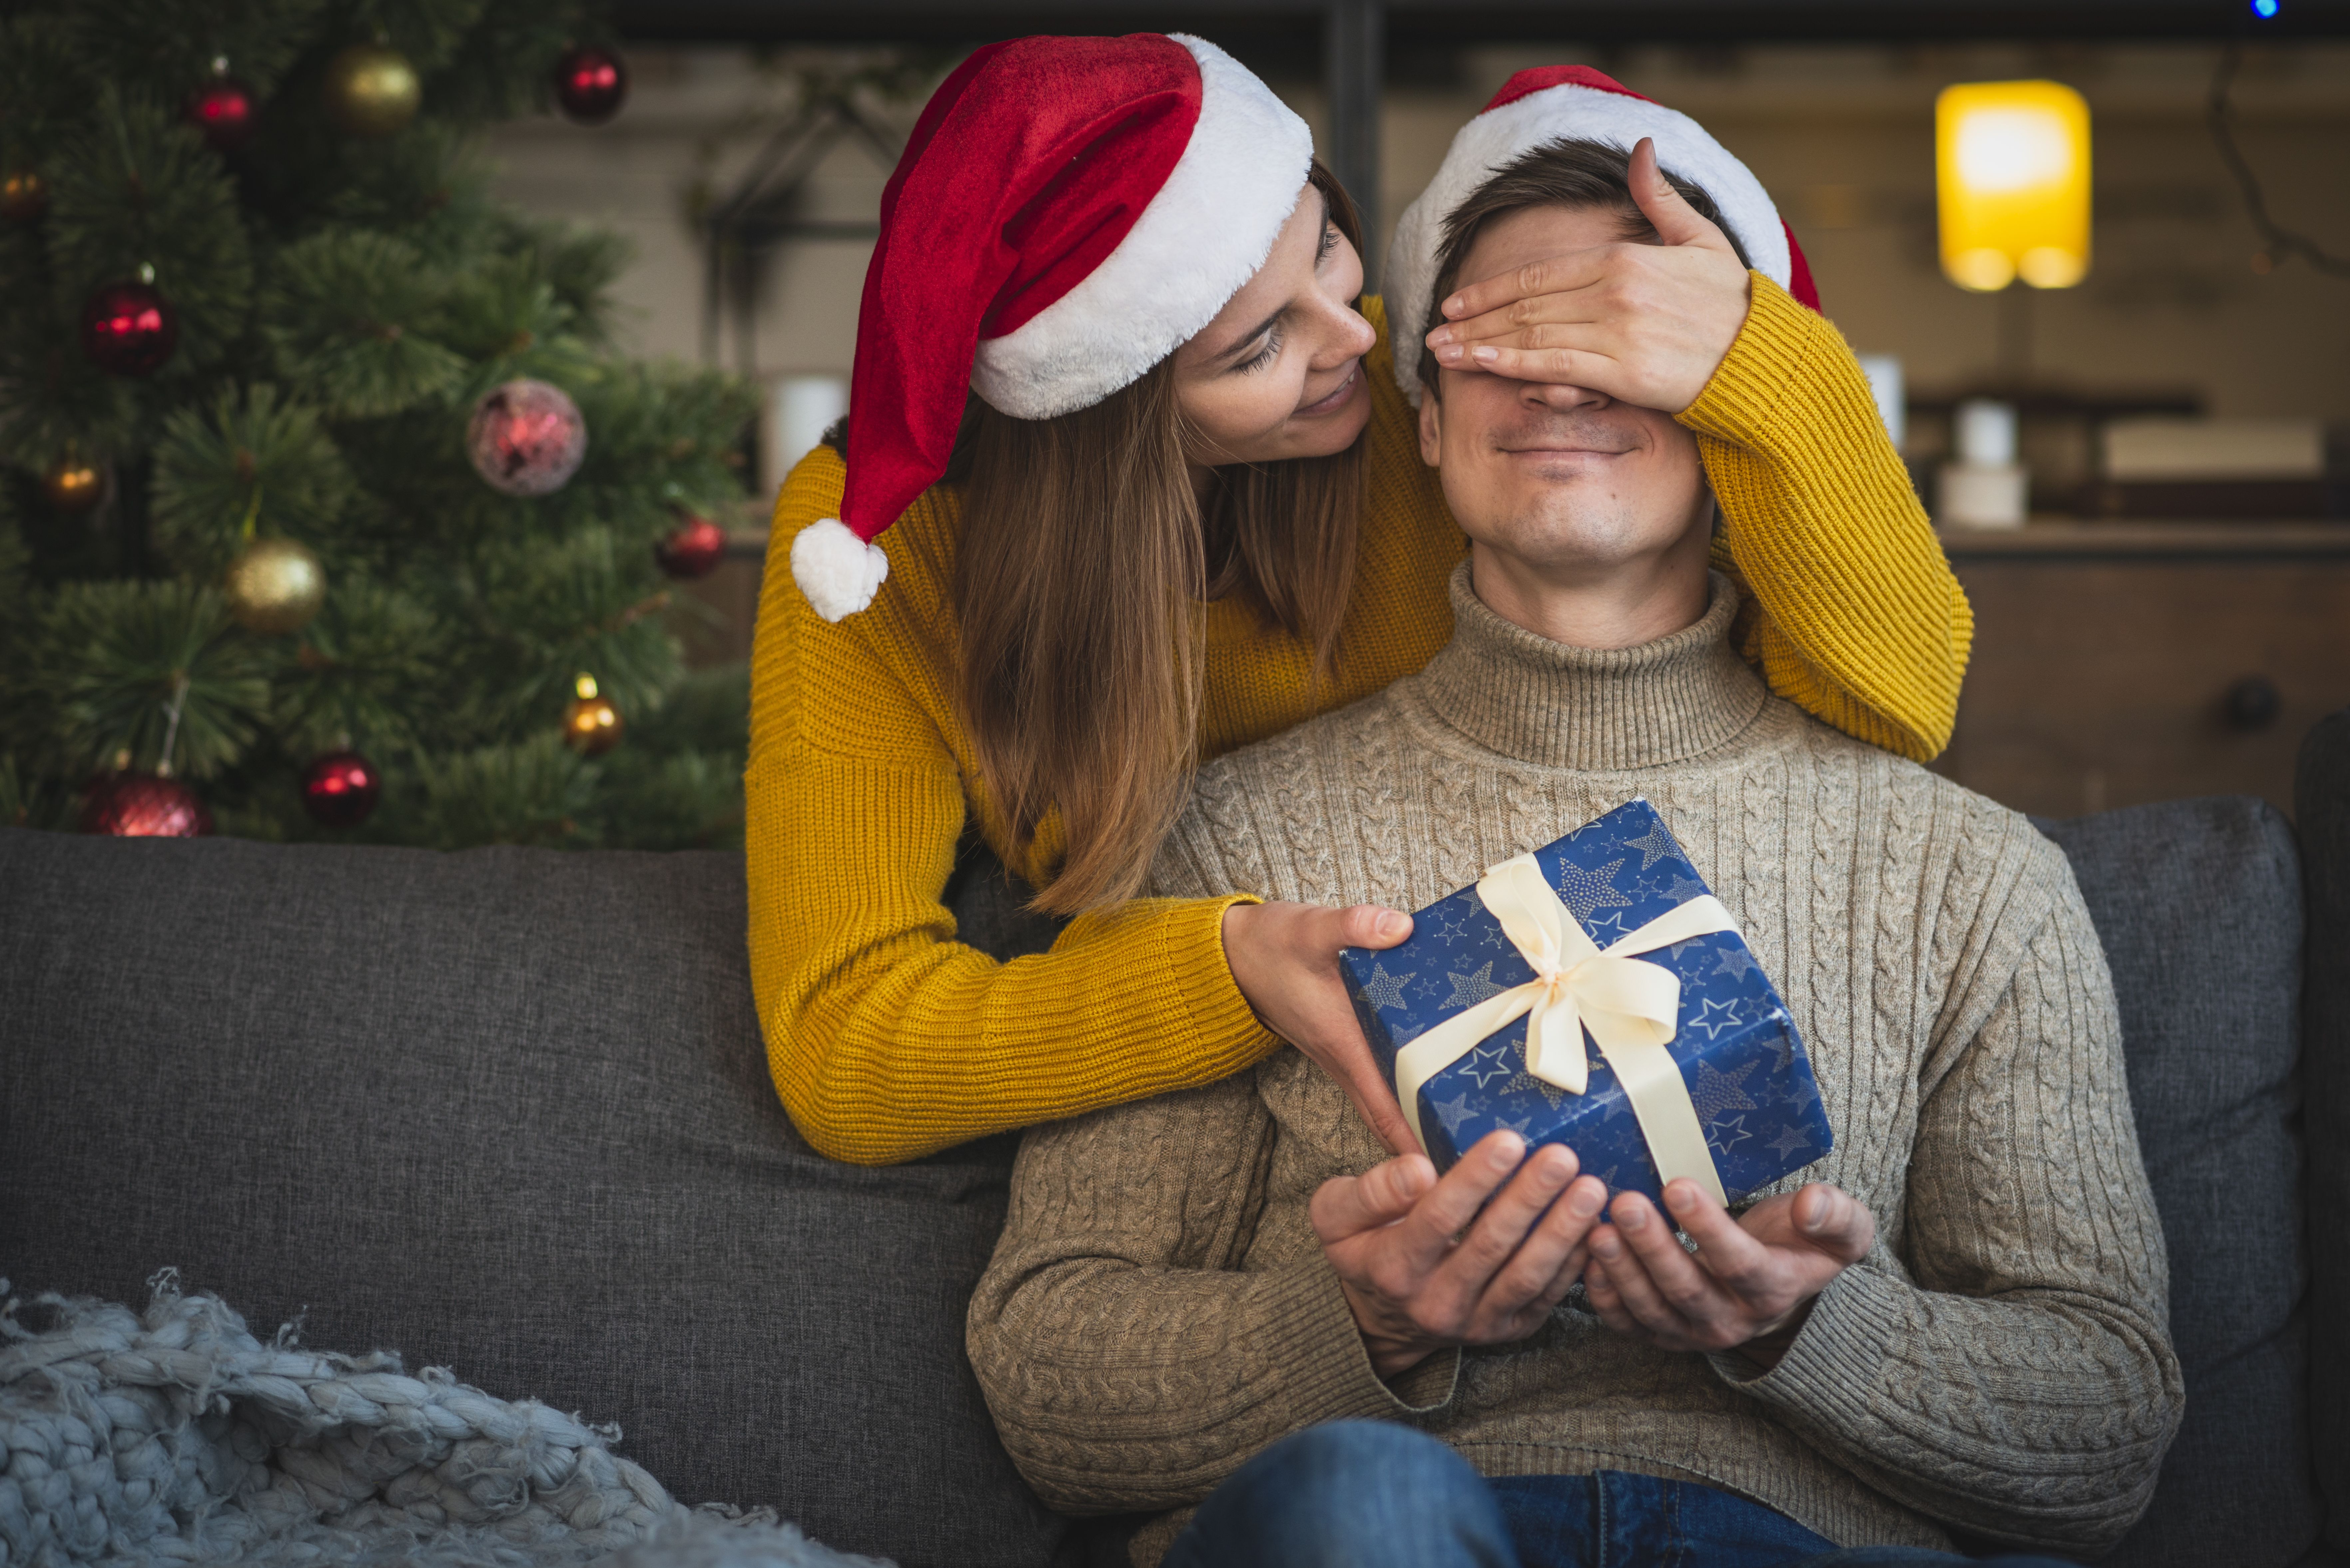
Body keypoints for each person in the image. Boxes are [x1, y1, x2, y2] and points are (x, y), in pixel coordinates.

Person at [963, 127, 2181, 1568]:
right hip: (1391, 1522)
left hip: (1804, 1536)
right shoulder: (1228, 840)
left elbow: (2110, 1427)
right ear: (1421, 417)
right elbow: (1044, 1374)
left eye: (1625, 334)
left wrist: (1809, 1323)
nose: (1554, 376)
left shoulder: (1964, 873)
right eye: (1493, 337)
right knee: (1363, 1502)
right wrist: (1358, 1320)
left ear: (1736, 411)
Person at [749, 40, 1973, 1165]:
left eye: (1327, 243)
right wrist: (1224, 972)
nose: (1353, 337)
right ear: (1110, 414)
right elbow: (843, 1048)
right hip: (1216, 1101)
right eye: (1253, 351)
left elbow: (1895, 705)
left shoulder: (1441, 398)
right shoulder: (879, 556)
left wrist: (1757, 349)